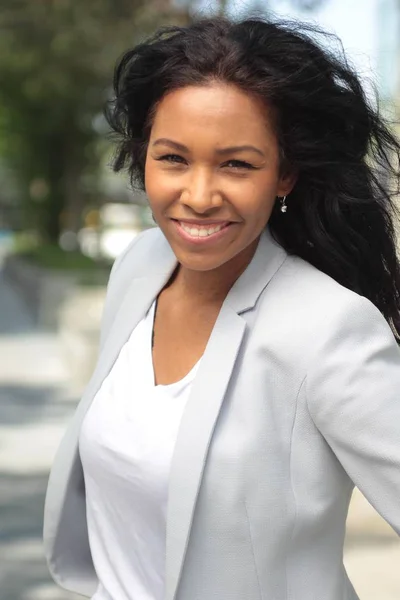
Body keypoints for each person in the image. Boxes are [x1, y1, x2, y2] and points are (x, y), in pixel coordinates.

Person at [43, 14, 400, 600]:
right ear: (142, 157)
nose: (200, 196)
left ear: (284, 174)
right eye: (173, 158)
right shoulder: (139, 266)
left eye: (237, 164)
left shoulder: (328, 330)